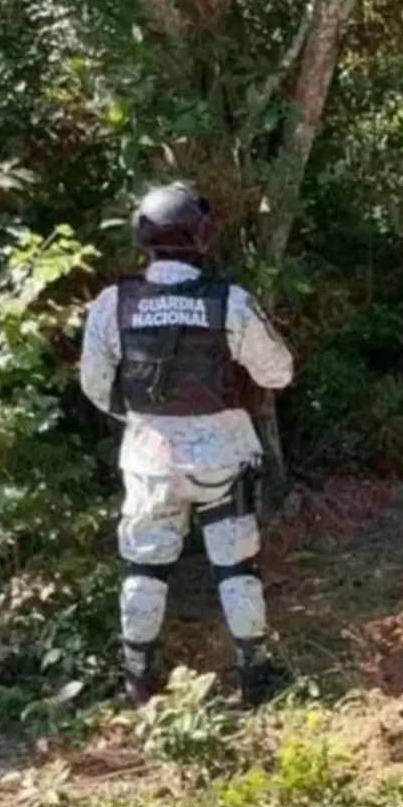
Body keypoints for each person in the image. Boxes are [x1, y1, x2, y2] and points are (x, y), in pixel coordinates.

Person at [79, 182, 295, 707]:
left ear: (143, 236)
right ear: (202, 236)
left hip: (148, 457)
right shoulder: (231, 302)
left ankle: (137, 678)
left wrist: (140, 417)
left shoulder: (114, 303)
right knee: (237, 566)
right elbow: (279, 372)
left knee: (144, 568)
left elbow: (95, 384)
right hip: (225, 455)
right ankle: (254, 676)